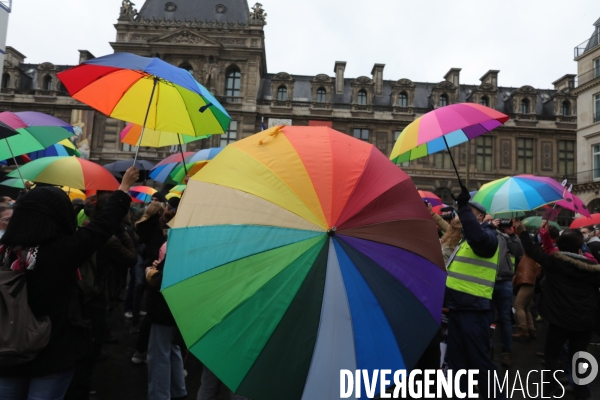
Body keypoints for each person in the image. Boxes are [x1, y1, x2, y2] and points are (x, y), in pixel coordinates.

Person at [0, 166, 139, 400]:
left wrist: (28, 198)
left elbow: (30, 213)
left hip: (7, 348)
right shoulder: (62, 252)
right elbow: (101, 226)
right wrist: (123, 188)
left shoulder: (6, 252)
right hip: (54, 352)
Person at [516, 223, 600, 400]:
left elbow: (532, 250)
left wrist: (523, 232)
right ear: (579, 247)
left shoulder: (555, 262)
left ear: (560, 246)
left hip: (559, 320)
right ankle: (582, 392)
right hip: (584, 322)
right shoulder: (593, 269)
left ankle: (549, 390)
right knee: (579, 358)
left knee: (551, 357)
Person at [445, 186, 504, 398]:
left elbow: (478, 240)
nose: (461, 216)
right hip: (459, 308)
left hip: (475, 309)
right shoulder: (465, 239)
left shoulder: (489, 236)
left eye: (467, 213)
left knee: (480, 362)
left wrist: (462, 206)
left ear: (478, 217)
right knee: (457, 362)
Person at [491, 219, 523, 368]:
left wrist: (512, 235)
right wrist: (489, 227)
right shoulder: (487, 233)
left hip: (504, 280)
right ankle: (488, 347)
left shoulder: (507, 238)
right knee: (488, 317)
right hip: (488, 279)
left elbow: (518, 252)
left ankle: (506, 351)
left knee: (504, 318)